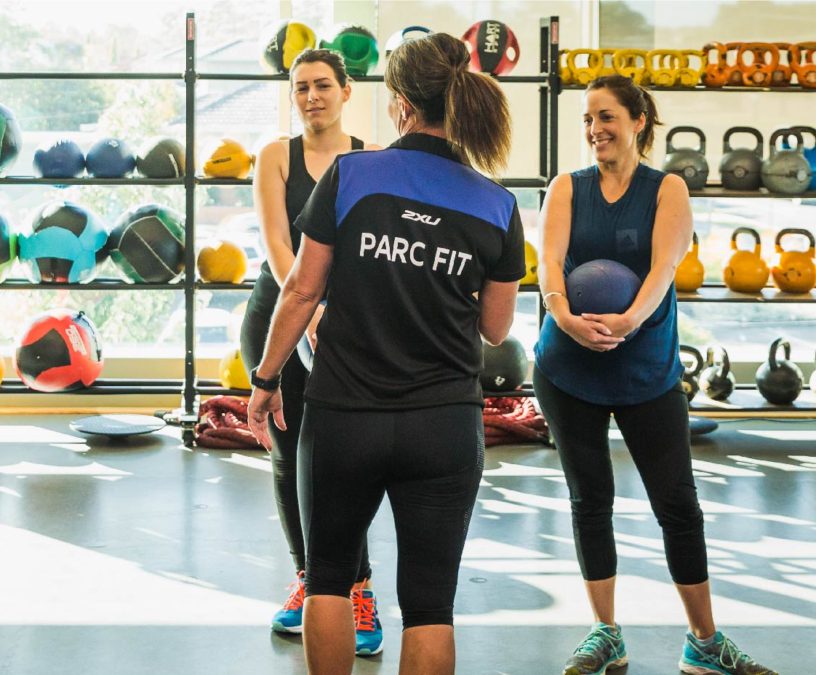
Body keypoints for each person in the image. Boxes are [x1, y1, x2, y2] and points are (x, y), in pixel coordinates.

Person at [248, 33, 523, 675]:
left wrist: (265, 381)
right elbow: (495, 327)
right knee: (430, 606)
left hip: (346, 417)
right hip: (444, 426)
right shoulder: (497, 203)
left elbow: (301, 290)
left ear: (399, 104)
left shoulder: (352, 174)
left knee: (328, 580)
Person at [534, 74, 775, 675]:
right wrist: (563, 317)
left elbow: (664, 268)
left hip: (646, 366)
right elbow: (549, 266)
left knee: (678, 505)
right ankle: (606, 633)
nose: (595, 130)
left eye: (607, 117)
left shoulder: (667, 189)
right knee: (590, 500)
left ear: (639, 121)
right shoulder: (565, 187)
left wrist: (628, 322)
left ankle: (704, 640)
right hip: (568, 365)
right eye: (588, 119)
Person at [240, 47, 384, 654]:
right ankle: (307, 578)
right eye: (301, 88)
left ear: (347, 91)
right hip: (281, 314)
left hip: (344, 326)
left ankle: (359, 587)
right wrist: (309, 308)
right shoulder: (276, 156)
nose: (311, 97)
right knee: (286, 453)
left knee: (347, 459)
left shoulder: (372, 159)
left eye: (323, 85)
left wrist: (334, 311)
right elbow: (278, 244)